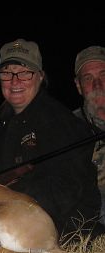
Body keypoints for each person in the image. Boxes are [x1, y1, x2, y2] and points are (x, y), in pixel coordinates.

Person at [0, 38, 105, 243]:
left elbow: (65, 191)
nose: (15, 81)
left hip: (60, 229)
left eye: (25, 73)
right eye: (7, 73)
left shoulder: (61, 122)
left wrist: (6, 208)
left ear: (40, 77)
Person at [73, 45, 105, 226]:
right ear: (78, 86)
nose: (97, 85)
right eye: (88, 78)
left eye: (103, 75)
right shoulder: (66, 128)